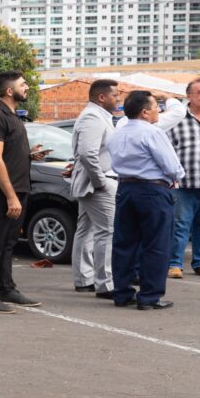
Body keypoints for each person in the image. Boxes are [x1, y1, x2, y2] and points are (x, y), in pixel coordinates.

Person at [0, 71, 46, 314]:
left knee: (8, 243)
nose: (27, 88)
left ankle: (6, 288)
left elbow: (5, 155)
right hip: (1, 193)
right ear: (8, 91)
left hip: (18, 189)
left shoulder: (13, 117)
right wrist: (10, 196)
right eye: (22, 85)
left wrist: (29, 154)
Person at [108, 90, 184, 310]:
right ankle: (149, 296)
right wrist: (175, 178)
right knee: (157, 244)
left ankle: (122, 293)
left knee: (124, 243)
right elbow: (171, 166)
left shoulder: (118, 132)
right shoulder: (152, 132)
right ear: (144, 112)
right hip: (152, 190)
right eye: (155, 107)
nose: (158, 110)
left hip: (125, 188)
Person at [69, 79, 121, 299]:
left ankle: (84, 279)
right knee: (105, 232)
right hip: (97, 183)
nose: (119, 99)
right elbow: (87, 153)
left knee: (87, 229)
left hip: (94, 181)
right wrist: (101, 181)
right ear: (102, 97)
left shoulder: (99, 116)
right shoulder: (93, 116)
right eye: (115, 96)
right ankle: (105, 284)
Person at [165, 77, 200, 280]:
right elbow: (165, 150)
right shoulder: (176, 120)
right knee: (179, 224)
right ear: (189, 96)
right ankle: (174, 264)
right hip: (183, 183)